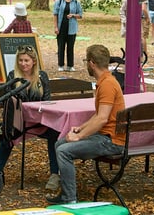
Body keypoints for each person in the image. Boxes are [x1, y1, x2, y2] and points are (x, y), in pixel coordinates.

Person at [46, 44, 125, 205]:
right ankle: (66, 192)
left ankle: (70, 198)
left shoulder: (108, 84)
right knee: (59, 143)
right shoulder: (105, 81)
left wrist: (79, 136)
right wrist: (81, 128)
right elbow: (99, 115)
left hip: (112, 141)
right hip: (105, 136)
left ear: (92, 63)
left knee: (63, 151)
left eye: (85, 61)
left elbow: (102, 119)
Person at [0, 45, 61, 192]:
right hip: (19, 121)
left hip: (39, 121)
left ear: (34, 61)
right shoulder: (13, 76)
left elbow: (47, 100)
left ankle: (55, 174)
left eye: (26, 60)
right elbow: (8, 102)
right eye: (20, 60)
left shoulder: (42, 77)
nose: (23, 64)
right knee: (8, 135)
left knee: (55, 133)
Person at [52, 0, 83, 72]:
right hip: (61, 28)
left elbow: (80, 15)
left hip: (71, 29)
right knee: (61, 47)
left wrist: (73, 15)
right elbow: (55, 15)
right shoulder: (59, 2)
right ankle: (61, 65)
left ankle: (70, 65)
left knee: (70, 47)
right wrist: (56, 27)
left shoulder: (76, 3)